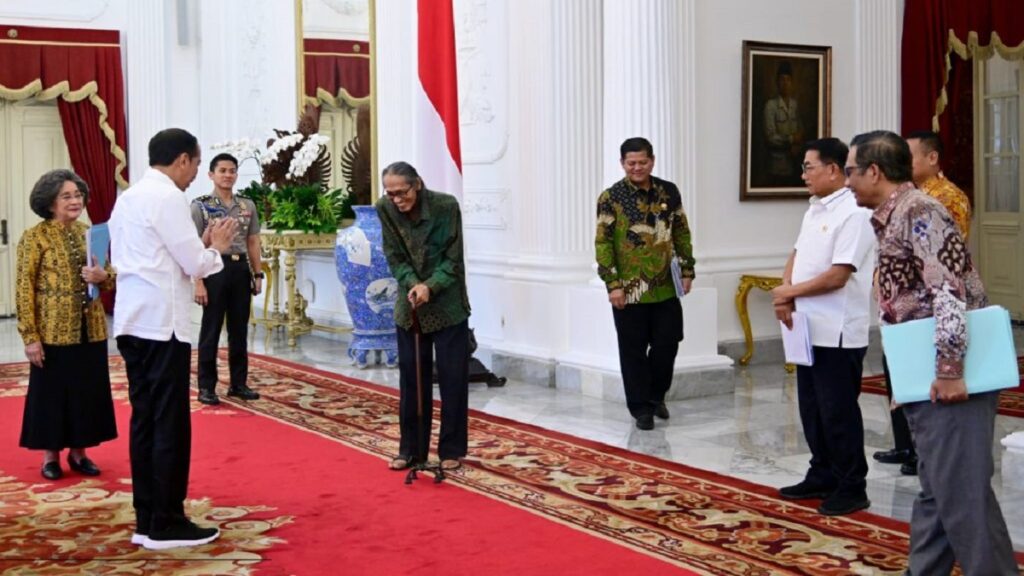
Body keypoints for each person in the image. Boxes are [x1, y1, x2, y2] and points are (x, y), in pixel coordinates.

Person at [846, 130, 1016, 575]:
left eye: (850, 171)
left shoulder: (920, 211)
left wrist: (949, 369)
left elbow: (949, 294)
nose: (847, 181)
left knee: (961, 495)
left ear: (874, 171)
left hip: (949, 378)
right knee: (939, 491)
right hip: (924, 373)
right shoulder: (895, 213)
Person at [109, 128, 238, 550]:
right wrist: (215, 247)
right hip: (162, 324)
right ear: (182, 159)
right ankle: (166, 522)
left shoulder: (128, 197)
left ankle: (147, 517)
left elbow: (148, 254)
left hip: (133, 319)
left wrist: (199, 249)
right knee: (169, 423)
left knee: (145, 419)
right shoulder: (168, 198)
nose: (195, 173)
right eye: (197, 164)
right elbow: (194, 263)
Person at [770, 138, 875, 516]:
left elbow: (838, 276)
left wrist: (790, 291)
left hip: (839, 329)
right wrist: (785, 295)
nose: (803, 175)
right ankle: (822, 472)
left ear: (833, 169)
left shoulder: (855, 212)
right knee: (812, 407)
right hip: (808, 326)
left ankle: (852, 484)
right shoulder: (815, 209)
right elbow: (796, 255)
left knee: (838, 409)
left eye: (808, 167)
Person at [873, 130, 975, 476]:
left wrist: (949, 366)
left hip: (932, 319)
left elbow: (945, 275)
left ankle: (919, 451)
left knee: (948, 468)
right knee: (898, 379)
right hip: (906, 324)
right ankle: (907, 445)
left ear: (932, 158)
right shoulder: (904, 200)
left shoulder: (939, 201)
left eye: (911, 156)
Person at [15, 169, 117, 480]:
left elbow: (109, 276)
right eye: (67, 196)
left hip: (91, 329)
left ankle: (79, 453)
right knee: (52, 393)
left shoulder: (89, 232)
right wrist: (30, 337)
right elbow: (23, 287)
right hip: (52, 331)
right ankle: (50, 456)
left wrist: (104, 277)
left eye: (78, 195)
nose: (75, 201)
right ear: (49, 203)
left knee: (86, 391)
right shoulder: (35, 237)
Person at [376, 161, 471, 472]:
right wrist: (412, 284)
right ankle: (411, 450)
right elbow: (394, 254)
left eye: (401, 193)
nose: (396, 200)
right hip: (410, 306)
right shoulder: (385, 208)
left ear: (417, 184)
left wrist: (431, 286)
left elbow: (453, 259)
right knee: (412, 382)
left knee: (452, 379)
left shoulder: (446, 206)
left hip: (447, 305)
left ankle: (451, 449)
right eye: (390, 194)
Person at [595, 137, 695, 431]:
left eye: (642, 162)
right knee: (633, 350)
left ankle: (656, 396)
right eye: (631, 163)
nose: (637, 168)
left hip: (665, 285)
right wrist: (612, 283)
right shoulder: (610, 197)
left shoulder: (669, 191)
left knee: (668, 343)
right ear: (622, 164)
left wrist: (688, 269)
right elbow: (603, 243)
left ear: (652, 160)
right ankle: (641, 408)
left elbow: (681, 230)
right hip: (629, 289)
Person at [190, 153, 263, 406]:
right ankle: (206, 386)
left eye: (232, 171)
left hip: (240, 270)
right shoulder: (200, 205)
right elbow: (194, 247)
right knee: (210, 329)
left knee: (239, 329)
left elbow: (253, 241)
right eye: (222, 170)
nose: (228, 175)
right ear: (211, 174)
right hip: (213, 269)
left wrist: (258, 273)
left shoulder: (247, 205)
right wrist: (198, 281)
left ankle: (238, 383)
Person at [763, 61, 804, 183]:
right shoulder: (770, 106)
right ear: (777, 83)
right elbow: (770, 137)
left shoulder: (795, 105)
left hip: (795, 162)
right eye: (782, 80)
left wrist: (798, 143)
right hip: (777, 164)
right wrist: (791, 139)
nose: (785, 84)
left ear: (792, 83)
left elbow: (801, 129)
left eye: (788, 80)